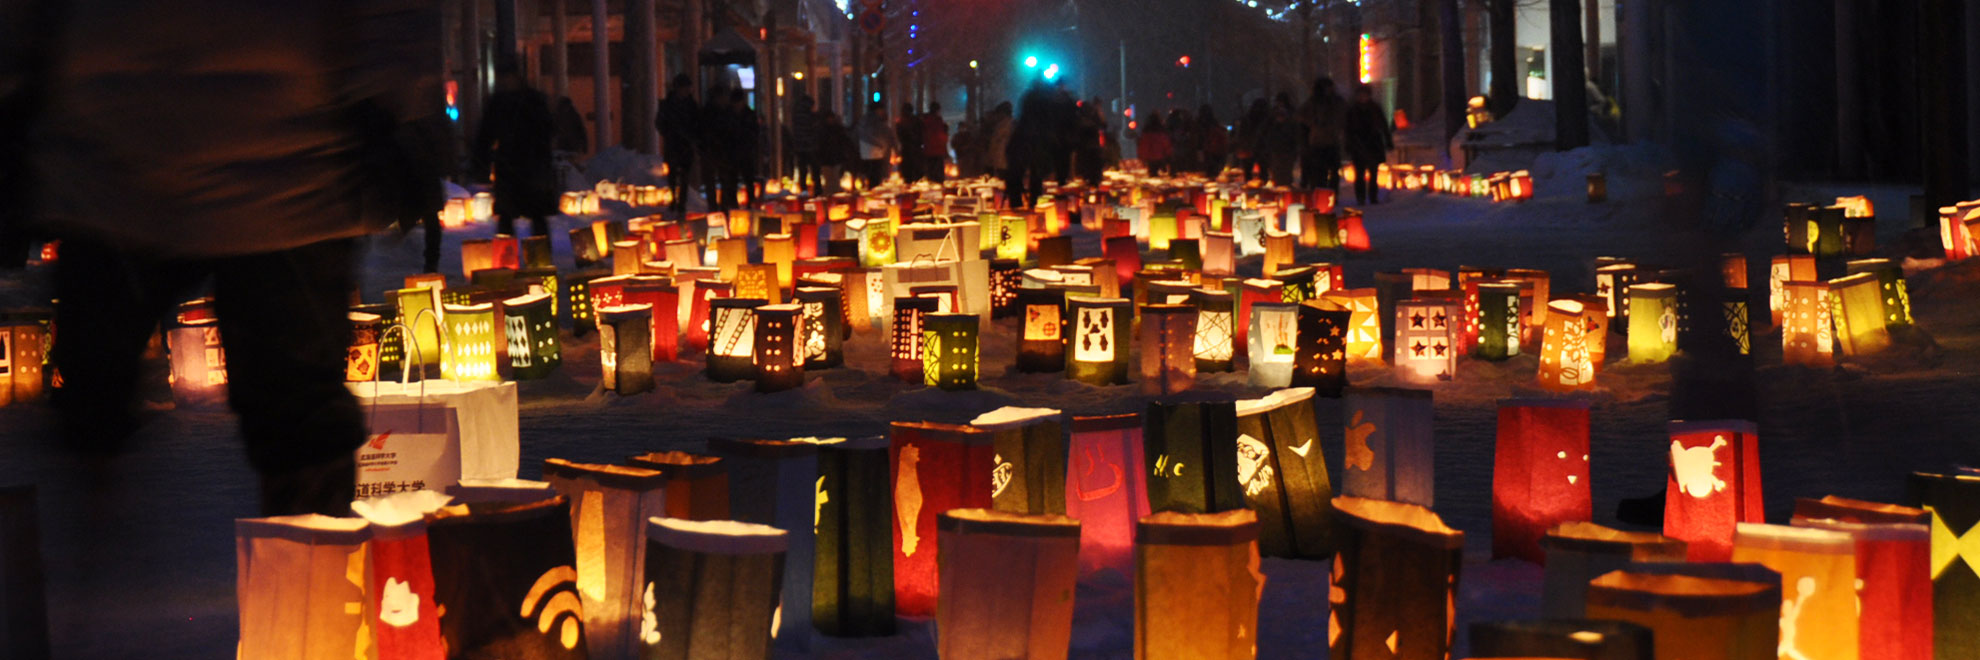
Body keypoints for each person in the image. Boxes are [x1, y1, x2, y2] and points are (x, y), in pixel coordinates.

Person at [16, 0, 444, 516]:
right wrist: (384, 98)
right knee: (297, 421)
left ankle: (91, 552)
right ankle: (313, 566)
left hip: (131, 152)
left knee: (95, 400)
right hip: (277, 156)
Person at [473, 69, 559, 237]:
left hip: (521, 166)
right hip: (522, 166)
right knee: (525, 215)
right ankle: (520, 255)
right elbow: (549, 130)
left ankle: (529, 255)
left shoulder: (507, 103)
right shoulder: (530, 101)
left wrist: (481, 159)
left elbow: (485, 136)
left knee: (526, 214)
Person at [656, 75, 699, 214]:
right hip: (673, 143)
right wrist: (668, 133)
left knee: (685, 175)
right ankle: (673, 198)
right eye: (684, 88)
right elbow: (659, 122)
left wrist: (692, 136)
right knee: (672, 174)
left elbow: (698, 123)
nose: (687, 91)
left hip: (686, 144)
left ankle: (682, 202)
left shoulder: (692, 105)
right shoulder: (667, 105)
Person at [1344, 83, 1393, 205]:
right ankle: (1361, 197)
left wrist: (1388, 140)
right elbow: (1347, 129)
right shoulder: (1352, 111)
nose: (1363, 97)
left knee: (1373, 173)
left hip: (1373, 144)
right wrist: (1348, 144)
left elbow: (1383, 126)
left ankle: (1373, 197)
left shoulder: (1375, 109)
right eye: (1360, 95)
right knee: (1359, 174)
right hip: (1358, 144)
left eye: (1365, 95)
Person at [1298, 77, 1345, 192]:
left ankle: (1332, 194)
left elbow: (1344, 115)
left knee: (1334, 171)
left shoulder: (1337, 102)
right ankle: (1320, 194)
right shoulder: (1313, 102)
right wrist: (1314, 122)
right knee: (1319, 172)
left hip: (1332, 141)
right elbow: (1301, 115)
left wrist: (1337, 125)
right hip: (1318, 142)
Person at [729, 89, 761, 204]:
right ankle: (732, 203)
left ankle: (751, 202)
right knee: (732, 180)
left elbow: (755, 132)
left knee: (749, 179)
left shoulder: (749, 115)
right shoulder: (729, 115)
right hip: (733, 152)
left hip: (746, 152)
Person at [855, 101, 896, 190]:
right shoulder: (877, 123)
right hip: (876, 153)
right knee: (875, 179)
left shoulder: (863, 121)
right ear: (878, 110)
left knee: (868, 178)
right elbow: (886, 136)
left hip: (865, 153)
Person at [815, 111, 854, 194]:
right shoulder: (826, 130)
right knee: (830, 179)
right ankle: (831, 196)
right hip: (827, 159)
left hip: (834, 158)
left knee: (834, 179)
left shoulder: (833, 130)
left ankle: (833, 196)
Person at [790, 95, 821, 194]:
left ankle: (803, 190)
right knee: (815, 169)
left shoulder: (795, 115)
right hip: (810, 146)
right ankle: (817, 189)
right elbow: (814, 128)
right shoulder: (810, 116)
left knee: (802, 170)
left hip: (799, 146)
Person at [1235, 98, 1271, 181]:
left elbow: (1242, 134)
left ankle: (1249, 189)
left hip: (1249, 148)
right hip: (1262, 148)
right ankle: (1262, 189)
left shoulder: (1248, 118)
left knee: (1248, 172)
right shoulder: (1267, 120)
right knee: (1263, 171)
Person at [984, 101, 1015, 186]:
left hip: (1004, 161)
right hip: (1000, 161)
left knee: (1003, 184)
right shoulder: (1002, 125)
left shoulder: (1007, 125)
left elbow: (997, 143)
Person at [895, 102, 924, 184]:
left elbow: (899, 136)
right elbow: (921, 135)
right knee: (917, 175)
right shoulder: (917, 121)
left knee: (908, 176)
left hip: (906, 150)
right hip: (916, 150)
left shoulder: (901, 122)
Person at [921, 102, 949, 184]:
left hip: (928, 151)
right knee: (938, 177)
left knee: (931, 175)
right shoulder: (938, 121)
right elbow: (941, 136)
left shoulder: (925, 121)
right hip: (938, 151)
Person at [1197, 104, 1228, 176]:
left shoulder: (1206, 126)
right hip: (1215, 153)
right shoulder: (1216, 127)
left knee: (1210, 173)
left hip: (1211, 153)